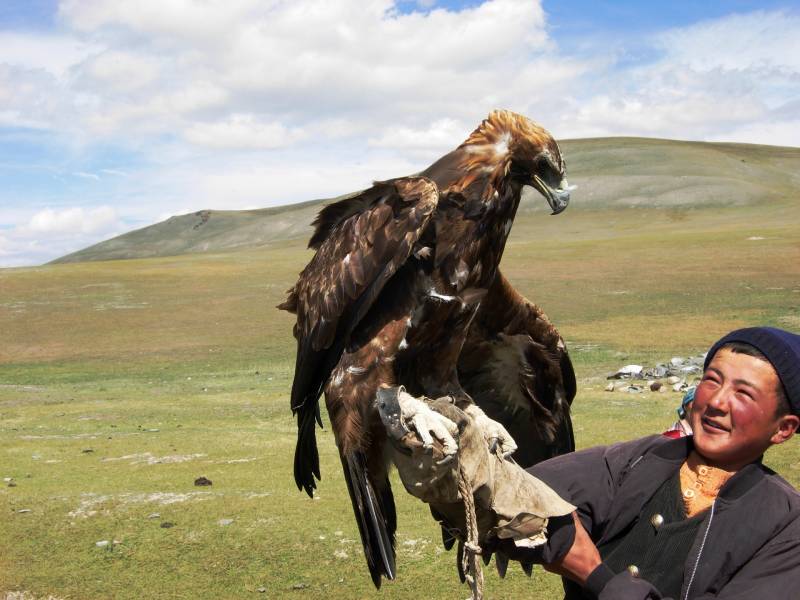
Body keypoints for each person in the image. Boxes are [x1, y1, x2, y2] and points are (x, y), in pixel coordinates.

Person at [510, 326, 800, 599]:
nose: (716, 402)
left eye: (743, 393)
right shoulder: (641, 458)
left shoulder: (786, 525)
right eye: (712, 380)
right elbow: (520, 489)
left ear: (783, 429)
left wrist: (595, 575)